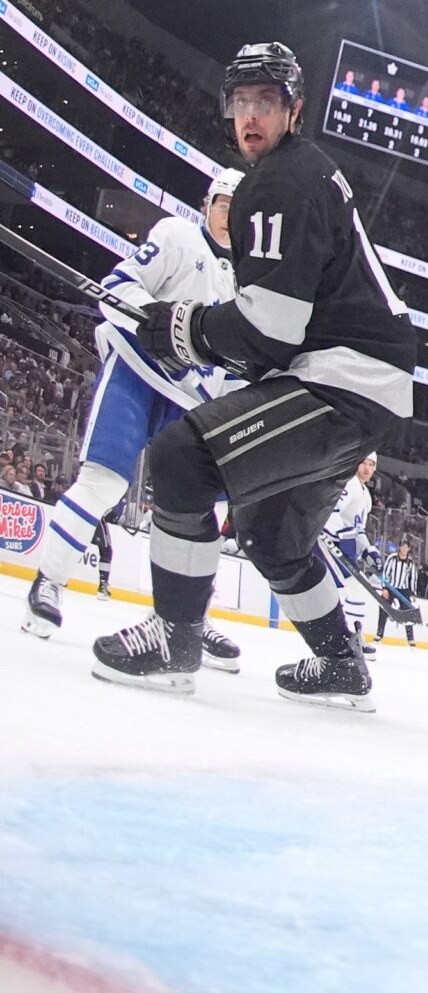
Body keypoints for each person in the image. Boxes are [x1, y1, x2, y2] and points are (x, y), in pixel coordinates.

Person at [90, 42, 416, 711]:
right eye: (242, 101)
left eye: (267, 101)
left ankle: (177, 639)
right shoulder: (297, 177)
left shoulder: (279, 183)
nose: (252, 115)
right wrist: (197, 332)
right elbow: (271, 337)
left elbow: (267, 329)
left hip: (342, 379)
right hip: (360, 380)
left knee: (182, 457)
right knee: (271, 533)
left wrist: (181, 328)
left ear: (294, 110)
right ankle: (341, 664)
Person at [22, 166, 247, 681]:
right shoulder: (176, 235)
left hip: (189, 400)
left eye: (238, 210)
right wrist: (156, 318)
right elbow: (118, 287)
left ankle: (188, 619)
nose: (228, 217)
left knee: (191, 516)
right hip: (136, 371)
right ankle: (48, 581)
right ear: (207, 204)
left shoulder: (244, 282)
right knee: (104, 482)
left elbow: (236, 362)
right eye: (223, 204)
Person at [321, 452, 377, 654]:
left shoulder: (365, 495)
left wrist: (368, 550)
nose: (367, 468)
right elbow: (331, 509)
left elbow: (358, 529)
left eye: (371, 464)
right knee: (352, 587)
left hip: (343, 543)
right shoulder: (350, 483)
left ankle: (352, 636)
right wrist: (340, 535)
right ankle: (349, 637)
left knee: (354, 587)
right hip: (327, 540)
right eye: (363, 462)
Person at [374, 540, 419, 647]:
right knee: (383, 609)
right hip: (391, 587)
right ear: (399, 548)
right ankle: (379, 634)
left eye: (406, 547)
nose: (404, 549)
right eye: (402, 547)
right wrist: (384, 588)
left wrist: (413, 592)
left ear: (408, 549)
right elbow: (385, 573)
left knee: (409, 613)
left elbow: (413, 578)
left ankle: (410, 638)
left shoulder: (411, 563)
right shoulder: (392, 558)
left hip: (403, 590)